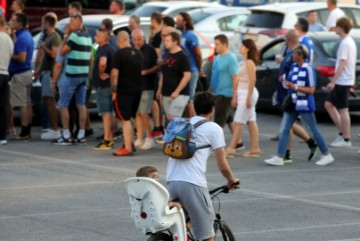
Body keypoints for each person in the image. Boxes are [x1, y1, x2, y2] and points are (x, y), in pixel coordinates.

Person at [166, 91, 239, 241]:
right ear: (213, 109)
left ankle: (180, 235)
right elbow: (222, 164)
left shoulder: (181, 124)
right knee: (207, 235)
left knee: (184, 223)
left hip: (172, 180)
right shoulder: (214, 128)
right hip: (192, 183)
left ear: (194, 108)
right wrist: (231, 180)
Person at [265, 45, 334, 166]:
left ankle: (327, 154)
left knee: (313, 130)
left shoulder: (308, 69)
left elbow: (312, 89)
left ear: (301, 56)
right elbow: (291, 83)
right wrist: (285, 81)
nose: (293, 56)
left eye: (295, 54)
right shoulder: (293, 67)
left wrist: (296, 87)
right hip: (293, 102)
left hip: (304, 104)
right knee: (284, 130)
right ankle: (279, 156)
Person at [274, 29, 318, 162]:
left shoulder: (295, 55)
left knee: (287, 124)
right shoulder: (289, 52)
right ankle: (309, 143)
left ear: (289, 39)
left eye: (285, 38)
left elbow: (295, 74)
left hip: (292, 94)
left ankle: (285, 154)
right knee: (288, 123)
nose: (284, 41)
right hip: (285, 93)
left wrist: (292, 88)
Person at [52, 13, 92, 145]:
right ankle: (81, 134)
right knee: (81, 105)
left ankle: (66, 135)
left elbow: (62, 51)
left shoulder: (74, 36)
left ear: (79, 23)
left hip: (72, 75)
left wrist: (65, 36)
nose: (70, 25)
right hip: (83, 76)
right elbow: (91, 59)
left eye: (73, 23)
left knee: (63, 105)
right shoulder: (88, 37)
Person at [325, 17, 357, 148]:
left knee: (343, 109)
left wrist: (333, 81)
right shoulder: (348, 41)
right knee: (328, 104)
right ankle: (342, 133)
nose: (335, 28)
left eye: (337, 26)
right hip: (344, 80)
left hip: (343, 81)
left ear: (342, 29)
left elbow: (342, 63)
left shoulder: (345, 43)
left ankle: (346, 139)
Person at [226, 39, 261, 158]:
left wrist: (248, 98)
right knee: (251, 120)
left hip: (247, 93)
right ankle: (255, 148)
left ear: (247, 48)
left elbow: (252, 80)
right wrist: (235, 95)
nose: (240, 47)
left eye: (242, 46)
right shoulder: (243, 62)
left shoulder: (249, 62)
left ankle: (231, 149)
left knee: (238, 121)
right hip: (242, 92)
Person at [210, 34, 244, 152]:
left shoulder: (231, 58)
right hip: (217, 91)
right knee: (228, 118)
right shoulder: (218, 56)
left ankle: (216, 145)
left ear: (225, 44)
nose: (216, 47)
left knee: (218, 121)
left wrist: (234, 95)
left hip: (226, 93)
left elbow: (235, 77)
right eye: (215, 44)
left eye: (218, 44)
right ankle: (238, 142)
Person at [111, 31, 143, 156]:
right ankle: (130, 143)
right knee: (130, 117)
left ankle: (128, 147)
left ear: (119, 41)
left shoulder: (118, 54)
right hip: (137, 89)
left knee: (124, 119)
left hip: (123, 91)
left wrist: (114, 91)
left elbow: (114, 75)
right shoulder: (139, 53)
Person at [9, 13, 34, 141]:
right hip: (27, 72)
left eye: (13, 21)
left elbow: (22, 58)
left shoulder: (22, 38)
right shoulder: (27, 35)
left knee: (22, 104)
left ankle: (24, 131)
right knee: (27, 103)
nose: (11, 22)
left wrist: (9, 54)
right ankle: (27, 129)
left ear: (20, 23)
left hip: (20, 73)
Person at [37, 14, 62, 141]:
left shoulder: (55, 37)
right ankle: (53, 128)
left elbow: (54, 55)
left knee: (50, 101)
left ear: (47, 23)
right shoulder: (47, 36)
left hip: (51, 73)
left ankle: (55, 129)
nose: (41, 25)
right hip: (45, 72)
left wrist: (44, 47)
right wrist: (38, 71)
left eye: (43, 22)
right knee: (47, 100)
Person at [132, 29, 158, 150]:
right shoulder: (133, 50)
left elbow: (157, 66)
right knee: (137, 113)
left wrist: (146, 72)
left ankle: (149, 137)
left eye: (139, 39)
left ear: (144, 38)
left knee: (144, 112)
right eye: (135, 40)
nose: (137, 42)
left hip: (147, 85)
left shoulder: (149, 49)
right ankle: (140, 137)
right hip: (135, 86)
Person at [156, 31, 191, 122]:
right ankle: (178, 135)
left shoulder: (183, 57)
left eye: (168, 41)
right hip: (167, 92)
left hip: (180, 94)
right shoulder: (167, 55)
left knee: (173, 118)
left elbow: (187, 75)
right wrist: (160, 89)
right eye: (165, 41)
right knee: (171, 120)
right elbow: (164, 74)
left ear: (175, 42)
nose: (165, 43)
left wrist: (177, 91)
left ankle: (184, 133)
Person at [92, 28, 116, 150]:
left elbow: (102, 63)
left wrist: (101, 72)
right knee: (110, 112)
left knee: (105, 113)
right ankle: (110, 136)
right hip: (109, 85)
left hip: (103, 85)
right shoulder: (112, 49)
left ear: (104, 38)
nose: (95, 36)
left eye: (98, 35)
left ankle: (107, 139)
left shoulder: (103, 50)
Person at [176, 12, 203, 117]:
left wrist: (199, 68)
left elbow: (198, 53)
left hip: (191, 70)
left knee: (189, 99)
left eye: (178, 20)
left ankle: (195, 124)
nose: (176, 22)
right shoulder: (181, 35)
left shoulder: (191, 35)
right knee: (183, 99)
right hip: (183, 71)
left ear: (185, 22)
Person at [0, 15, 14, 145]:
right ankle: (2, 136)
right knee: (3, 105)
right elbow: (10, 54)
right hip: (5, 73)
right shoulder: (8, 39)